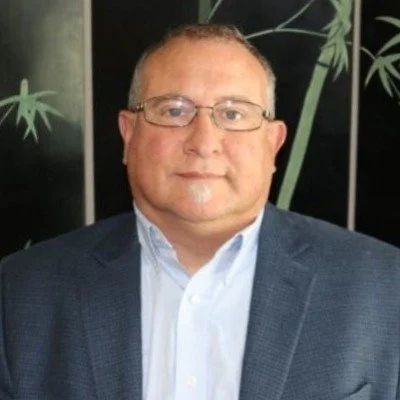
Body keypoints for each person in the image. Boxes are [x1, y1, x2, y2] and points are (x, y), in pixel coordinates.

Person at [0, 23, 399, 400]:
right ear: (128, 135)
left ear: (273, 144)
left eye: (233, 113)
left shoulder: (383, 288)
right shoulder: (21, 293)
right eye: (174, 111)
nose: (204, 142)